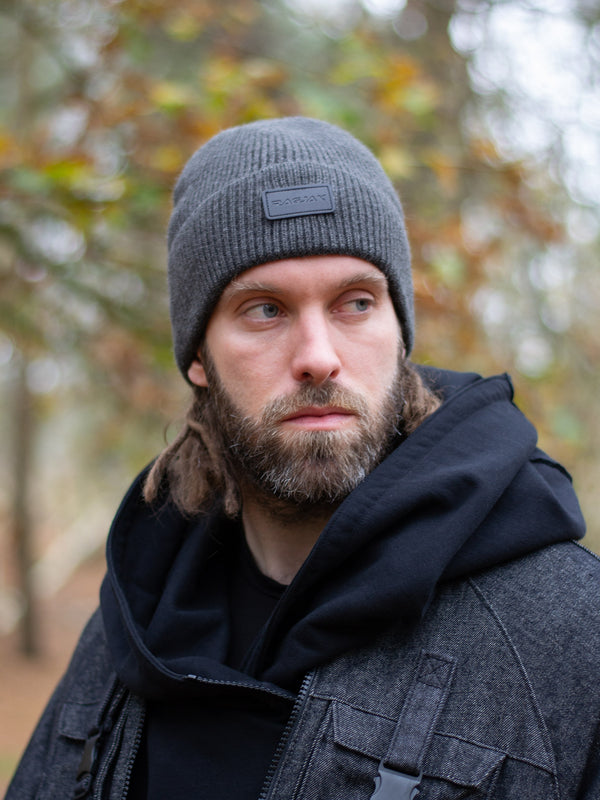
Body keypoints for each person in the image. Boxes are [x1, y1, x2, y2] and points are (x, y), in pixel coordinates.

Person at [6, 117, 600, 800]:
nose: (319, 355)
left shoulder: (572, 639)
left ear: (399, 334)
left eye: (355, 303)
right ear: (199, 357)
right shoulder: (134, 616)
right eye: (265, 309)